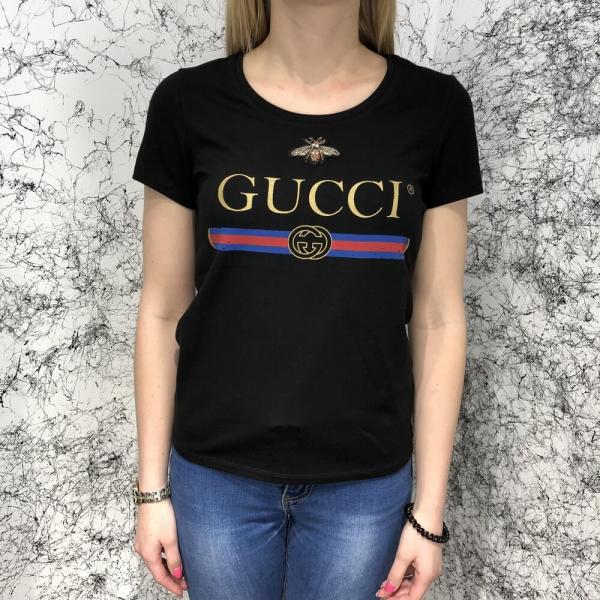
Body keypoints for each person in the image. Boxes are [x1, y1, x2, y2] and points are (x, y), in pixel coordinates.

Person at [130, 0, 484, 599]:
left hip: (364, 483)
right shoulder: (188, 104)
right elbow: (163, 309)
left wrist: (429, 512)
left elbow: (439, 318)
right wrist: (151, 491)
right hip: (216, 476)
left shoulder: (434, 109)